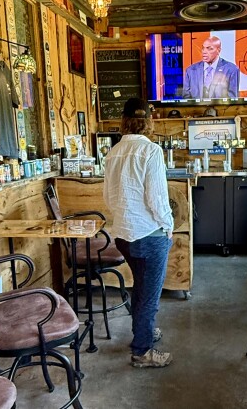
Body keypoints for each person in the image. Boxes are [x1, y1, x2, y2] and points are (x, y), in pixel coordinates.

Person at [103, 98, 174, 368]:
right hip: (150, 235)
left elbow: (108, 198)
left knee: (140, 287)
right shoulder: (151, 151)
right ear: (148, 121)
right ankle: (142, 351)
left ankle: (143, 332)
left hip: (123, 235)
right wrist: (168, 224)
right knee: (150, 296)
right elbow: (157, 198)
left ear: (123, 121)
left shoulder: (113, 152)